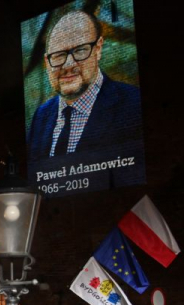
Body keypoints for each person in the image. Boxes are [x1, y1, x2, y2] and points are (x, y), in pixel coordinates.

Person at [26, 11, 143, 185]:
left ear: (98, 49)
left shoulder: (134, 104)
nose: (68, 65)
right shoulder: (40, 117)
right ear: (46, 61)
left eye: (80, 50)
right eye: (58, 55)